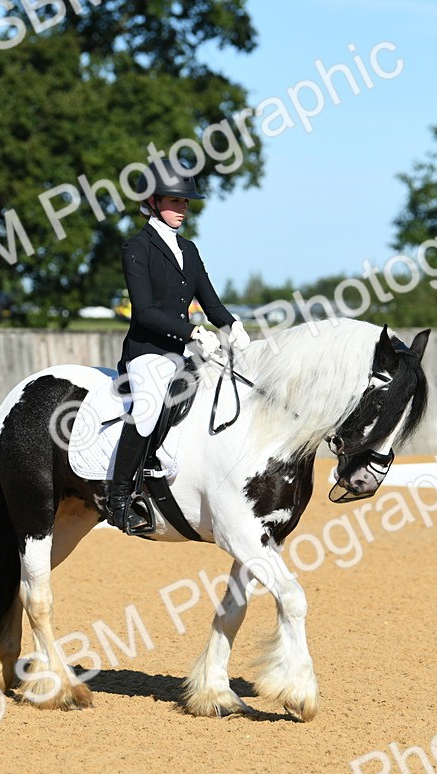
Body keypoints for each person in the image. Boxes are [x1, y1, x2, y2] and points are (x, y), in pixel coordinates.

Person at [106, 158, 251, 533]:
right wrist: (190, 332)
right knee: (149, 408)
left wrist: (232, 325)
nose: (182, 208)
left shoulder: (188, 248)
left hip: (184, 350)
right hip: (147, 351)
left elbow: (211, 301)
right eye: (175, 201)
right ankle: (119, 497)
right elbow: (145, 312)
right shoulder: (136, 248)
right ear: (152, 201)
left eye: (185, 202)